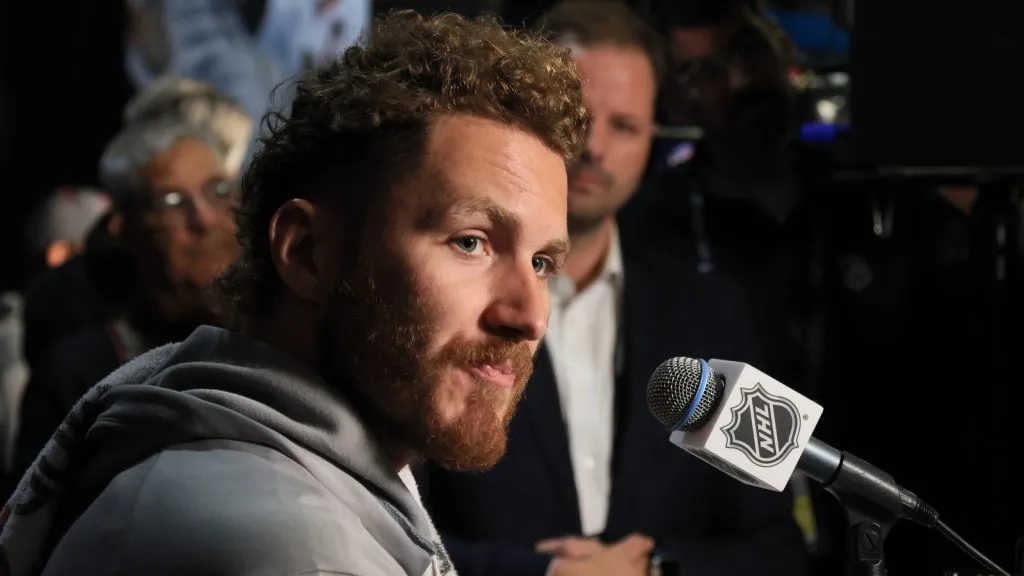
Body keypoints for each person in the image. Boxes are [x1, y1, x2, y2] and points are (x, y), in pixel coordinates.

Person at [0, 10, 591, 576]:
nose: (531, 316)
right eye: (471, 242)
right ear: (308, 252)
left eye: (542, 262)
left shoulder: (280, 463)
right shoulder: (291, 551)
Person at [415, 3, 810, 576]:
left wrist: (655, 568)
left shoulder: (722, 309)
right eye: (574, 116)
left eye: (623, 125)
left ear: (654, 135)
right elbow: (385, 528)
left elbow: (780, 547)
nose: (593, 146)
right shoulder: (440, 295)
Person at [11, 115, 240, 484]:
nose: (205, 218)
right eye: (172, 201)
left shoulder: (289, 328)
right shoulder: (79, 373)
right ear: (124, 228)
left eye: (219, 189)